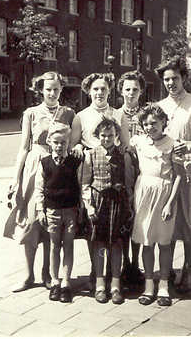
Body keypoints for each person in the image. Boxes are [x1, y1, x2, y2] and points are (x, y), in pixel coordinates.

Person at [3, 71, 76, 292]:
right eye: (48, 89)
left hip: (58, 169)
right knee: (31, 221)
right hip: (35, 167)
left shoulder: (70, 113)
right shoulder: (31, 113)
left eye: (56, 89)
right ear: (41, 91)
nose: (52, 93)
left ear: (61, 89)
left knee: (51, 221)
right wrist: (15, 178)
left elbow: (73, 144)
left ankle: (48, 273)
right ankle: (28, 275)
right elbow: (24, 147)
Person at [70, 73, 130, 291]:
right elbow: (74, 143)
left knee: (116, 230)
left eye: (103, 89)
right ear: (88, 91)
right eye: (95, 89)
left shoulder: (117, 114)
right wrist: (77, 147)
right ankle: (97, 271)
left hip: (114, 173)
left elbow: (125, 144)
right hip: (91, 172)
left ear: (110, 90)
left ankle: (117, 275)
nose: (99, 93)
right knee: (93, 227)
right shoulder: (81, 116)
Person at [155, 56, 191, 293]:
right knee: (167, 220)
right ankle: (167, 270)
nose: (170, 83)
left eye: (175, 78)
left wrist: (187, 146)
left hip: (189, 169)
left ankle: (187, 270)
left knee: (188, 219)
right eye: (166, 79)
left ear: (184, 77)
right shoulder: (159, 106)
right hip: (166, 169)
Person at [131, 104, 182, 306]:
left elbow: (178, 176)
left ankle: (163, 286)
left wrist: (170, 203)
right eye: (146, 124)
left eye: (154, 122)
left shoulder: (172, 144)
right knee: (146, 240)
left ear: (163, 122)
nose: (150, 127)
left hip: (164, 194)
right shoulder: (139, 142)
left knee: (164, 242)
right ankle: (149, 285)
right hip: (143, 192)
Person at [81, 118, 132, 304]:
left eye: (111, 135)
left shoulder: (123, 155)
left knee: (116, 243)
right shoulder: (91, 155)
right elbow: (85, 183)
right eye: (103, 135)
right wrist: (89, 205)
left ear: (117, 135)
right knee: (99, 243)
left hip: (117, 203)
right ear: (97, 136)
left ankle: (116, 285)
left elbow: (128, 183)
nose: (107, 138)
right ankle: (100, 284)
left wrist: (129, 206)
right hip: (98, 203)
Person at [34, 123, 82, 303]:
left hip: (70, 210)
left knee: (68, 245)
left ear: (68, 142)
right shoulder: (45, 162)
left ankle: (66, 283)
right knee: (54, 246)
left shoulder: (75, 161)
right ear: (49, 142)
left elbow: (80, 184)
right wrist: (41, 209)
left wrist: (81, 208)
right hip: (52, 210)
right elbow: (39, 188)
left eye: (63, 142)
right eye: (56, 142)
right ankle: (55, 281)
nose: (60, 146)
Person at [116, 71, 146, 288]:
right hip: (121, 172)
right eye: (127, 89)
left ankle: (136, 263)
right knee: (124, 216)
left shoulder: (147, 114)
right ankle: (125, 263)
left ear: (141, 91)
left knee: (140, 216)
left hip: (144, 171)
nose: (131, 93)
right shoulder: (115, 115)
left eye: (135, 89)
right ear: (121, 91)